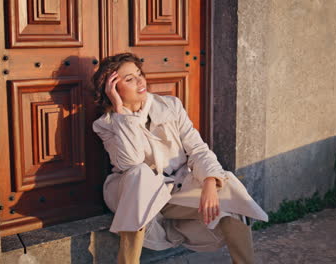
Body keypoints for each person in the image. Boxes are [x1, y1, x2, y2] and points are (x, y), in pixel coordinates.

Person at [92, 53, 268, 264]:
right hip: (133, 195)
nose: (140, 81)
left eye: (139, 74)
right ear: (112, 90)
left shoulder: (170, 106)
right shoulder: (106, 124)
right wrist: (121, 112)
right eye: (129, 79)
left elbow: (198, 149)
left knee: (230, 190)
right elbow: (131, 162)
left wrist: (211, 181)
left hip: (176, 190)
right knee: (139, 174)